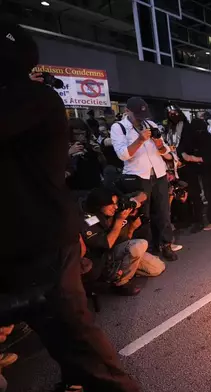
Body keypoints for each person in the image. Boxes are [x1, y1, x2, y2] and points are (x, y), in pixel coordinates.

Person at [0, 20, 139, 391]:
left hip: (39, 239)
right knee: (61, 339)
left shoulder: (31, 98)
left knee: (77, 338)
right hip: (16, 243)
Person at [110, 97, 179, 261]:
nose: (142, 119)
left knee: (163, 212)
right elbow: (123, 154)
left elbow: (164, 150)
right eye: (138, 115)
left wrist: (159, 144)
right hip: (137, 176)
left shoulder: (151, 125)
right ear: (127, 111)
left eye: (144, 115)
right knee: (143, 214)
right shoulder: (118, 128)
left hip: (159, 173)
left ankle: (165, 244)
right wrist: (140, 139)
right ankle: (145, 248)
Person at [82, 187, 166, 296]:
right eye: (111, 204)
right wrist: (119, 220)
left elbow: (143, 194)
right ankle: (120, 283)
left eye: (116, 203)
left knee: (158, 268)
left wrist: (133, 203)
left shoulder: (119, 206)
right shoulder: (90, 219)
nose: (115, 207)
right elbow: (106, 245)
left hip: (124, 249)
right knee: (140, 245)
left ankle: (126, 268)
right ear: (99, 205)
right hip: (104, 257)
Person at [66, 118, 106, 192]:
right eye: (77, 134)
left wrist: (99, 153)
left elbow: (102, 164)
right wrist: (69, 153)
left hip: (95, 185)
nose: (80, 137)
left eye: (82, 133)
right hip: (75, 188)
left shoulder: (91, 144)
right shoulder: (64, 146)